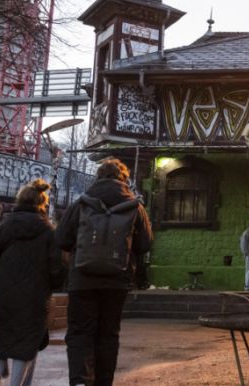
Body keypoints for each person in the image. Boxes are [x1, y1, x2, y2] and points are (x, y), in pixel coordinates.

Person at [57, 158, 153, 386]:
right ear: (124, 179)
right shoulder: (135, 207)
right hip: (116, 281)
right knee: (108, 334)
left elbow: (61, 238)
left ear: (98, 177)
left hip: (82, 280)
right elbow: (145, 244)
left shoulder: (81, 204)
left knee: (80, 333)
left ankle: (80, 381)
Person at [0, 179, 63, 386]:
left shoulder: (5, 226)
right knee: (28, 340)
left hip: (2, 290)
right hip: (34, 296)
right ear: (42, 203)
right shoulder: (48, 231)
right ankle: (17, 383)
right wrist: (51, 285)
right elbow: (57, 266)